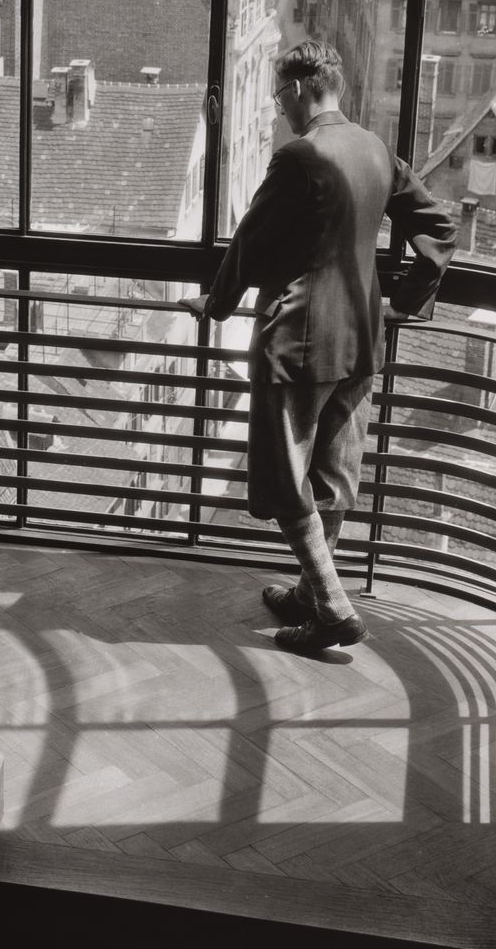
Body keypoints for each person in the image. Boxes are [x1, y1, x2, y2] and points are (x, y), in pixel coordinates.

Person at [183, 39, 456, 655]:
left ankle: (332, 608)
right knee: (334, 477)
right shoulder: (375, 149)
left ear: (304, 88)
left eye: (281, 96)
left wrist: (216, 304)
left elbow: (248, 244)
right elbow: (440, 228)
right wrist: (406, 304)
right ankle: (311, 591)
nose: (279, 110)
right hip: (360, 340)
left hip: (298, 346)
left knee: (285, 479)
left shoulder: (299, 157)